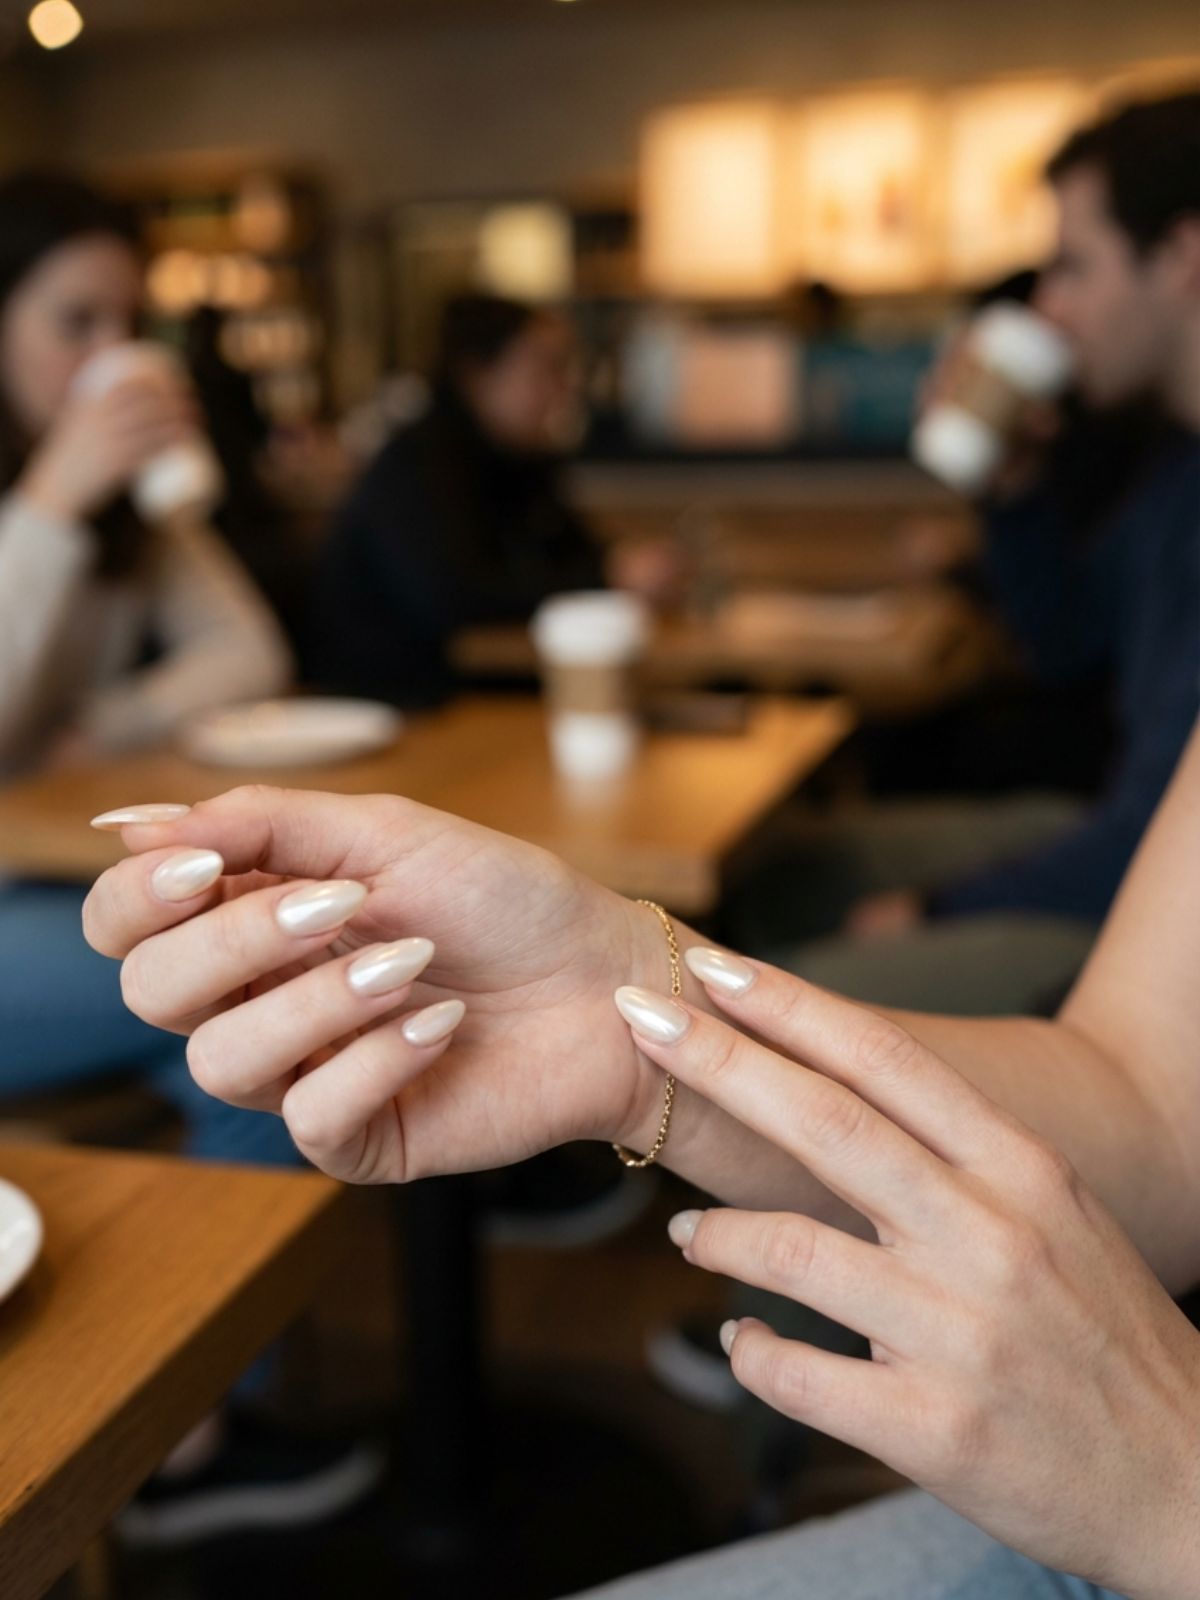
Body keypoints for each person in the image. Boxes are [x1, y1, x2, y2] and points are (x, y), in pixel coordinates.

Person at [731, 91, 1200, 1018]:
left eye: (1072, 266)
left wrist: (939, 908)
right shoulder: (1177, 470)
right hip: (1121, 846)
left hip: (1155, 917)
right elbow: (1063, 642)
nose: (1049, 305)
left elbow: (1158, 842)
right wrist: (1012, 485)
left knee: (757, 1015)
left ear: (1184, 258)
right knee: (782, 881)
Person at [0, 171, 296, 1167]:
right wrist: (47, 506)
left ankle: (201, 1314)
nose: (109, 357)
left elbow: (251, 653)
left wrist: (106, 723)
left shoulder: (125, 507)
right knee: (260, 981)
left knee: (258, 1039)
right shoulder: (63, 491)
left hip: (55, 877)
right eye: (74, 321)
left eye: (125, 323)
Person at [306, 291, 682, 708]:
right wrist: (607, 579)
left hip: (488, 696)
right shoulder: (418, 465)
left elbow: (576, 554)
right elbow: (459, 595)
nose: (563, 389)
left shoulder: (522, 460)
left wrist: (617, 568)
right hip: (407, 710)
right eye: (546, 369)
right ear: (478, 375)